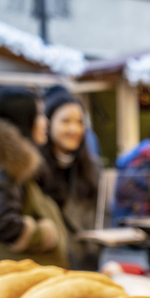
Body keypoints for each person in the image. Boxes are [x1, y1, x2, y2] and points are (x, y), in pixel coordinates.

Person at [0, 87, 67, 266]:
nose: (45, 122)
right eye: (39, 114)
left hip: (16, 274)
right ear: (22, 119)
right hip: (17, 278)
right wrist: (46, 234)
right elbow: (3, 224)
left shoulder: (3, 161)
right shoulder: (8, 165)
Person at [38, 89, 99, 239]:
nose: (74, 129)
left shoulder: (93, 168)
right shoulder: (35, 169)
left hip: (87, 257)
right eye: (65, 121)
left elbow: (101, 218)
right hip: (50, 257)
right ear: (48, 123)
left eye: (79, 122)